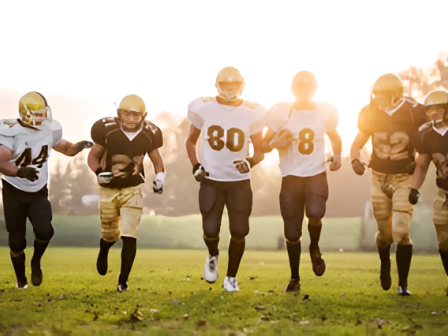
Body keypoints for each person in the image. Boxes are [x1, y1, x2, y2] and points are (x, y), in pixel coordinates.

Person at [0, 91, 93, 289]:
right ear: (25, 113)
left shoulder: (50, 129)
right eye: (39, 114)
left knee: (45, 231)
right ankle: (21, 279)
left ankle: (36, 262)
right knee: (16, 242)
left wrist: (77, 147)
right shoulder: (10, 131)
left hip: (38, 190)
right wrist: (19, 172)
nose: (43, 117)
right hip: (14, 189)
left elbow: (63, 146)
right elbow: (1, 161)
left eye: (44, 113)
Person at [185, 67, 266, 292]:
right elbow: (191, 141)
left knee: (240, 230)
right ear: (217, 86)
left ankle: (231, 277)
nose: (230, 91)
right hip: (211, 178)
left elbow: (260, 151)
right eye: (225, 86)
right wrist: (195, 166)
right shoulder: (204, 108)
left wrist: (250, 162)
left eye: (234, 86)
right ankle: (212, 254)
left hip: (239, 181)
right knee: (210, 230)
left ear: (241, 86)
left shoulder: (252, 111)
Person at [261, 70, 342, 292]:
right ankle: (295, 277)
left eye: (308, 87)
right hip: (291, 176)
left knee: (316, 214)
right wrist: (276, 141)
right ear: (293, 89)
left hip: (315, 172)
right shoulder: (281, 113)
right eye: (300, 87)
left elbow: (335, 137)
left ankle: (314, 247)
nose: (304, 91)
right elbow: (263, 145)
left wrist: (337, 156)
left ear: (314, 89)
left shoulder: (324, 112)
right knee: (292, 232)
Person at [350, 74, 427, 295]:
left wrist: (418, 166)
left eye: (381, 96)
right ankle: (385, 265)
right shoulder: (372, 113)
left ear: (394, 95)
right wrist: (355, 159)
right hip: (379, 177)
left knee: (401, 231)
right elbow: (356, 144)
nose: (377, 100)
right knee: (384, 234)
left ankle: (403, 284)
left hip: (404, 177)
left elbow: (426, 147)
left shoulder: (413, 112)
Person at [88, 94, 164, 292]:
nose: (131, 119)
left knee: (129, 234)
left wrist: (160, 177)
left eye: (135, 115)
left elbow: (157, 160)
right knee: (110, 234)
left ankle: (123, 281)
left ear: (143, 116)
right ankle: (104, 248)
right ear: (119, 114)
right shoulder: (108, 131)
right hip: (109, 190)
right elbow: (92, 157)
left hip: (133, 188)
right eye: (126, 114)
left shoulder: (149, 134)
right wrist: (98, 172)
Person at [409, 90, 448, 295]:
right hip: (444, 191)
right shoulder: (426, 134)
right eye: (430, 109)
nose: (434, 113)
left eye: (438, 108)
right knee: (443, 241)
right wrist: (414, 189)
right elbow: (422, 166)